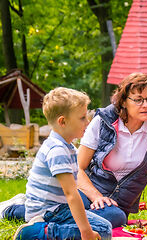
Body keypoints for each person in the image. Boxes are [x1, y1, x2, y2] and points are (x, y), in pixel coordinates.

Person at [0, 73, 147, 229]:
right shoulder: (102, 121)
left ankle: (52, 219)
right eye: (138, 99)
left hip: (117, 205)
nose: (146, 105)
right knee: (65, 208)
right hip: (88, 192)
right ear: (124, 102)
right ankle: (14, 209)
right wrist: (97, 197)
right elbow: (79, 168)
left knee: (116, 217)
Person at [12, 87, 111, 240]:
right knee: (102, 231)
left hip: (57, 208)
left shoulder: (68, 147)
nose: (88, 121)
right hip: (48, 211)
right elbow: (71, 194)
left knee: (105, 228)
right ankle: (34, 233)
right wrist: (85, 232)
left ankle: (41, 228)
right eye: (82, 118)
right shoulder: (57, 150)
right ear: (63, 121)